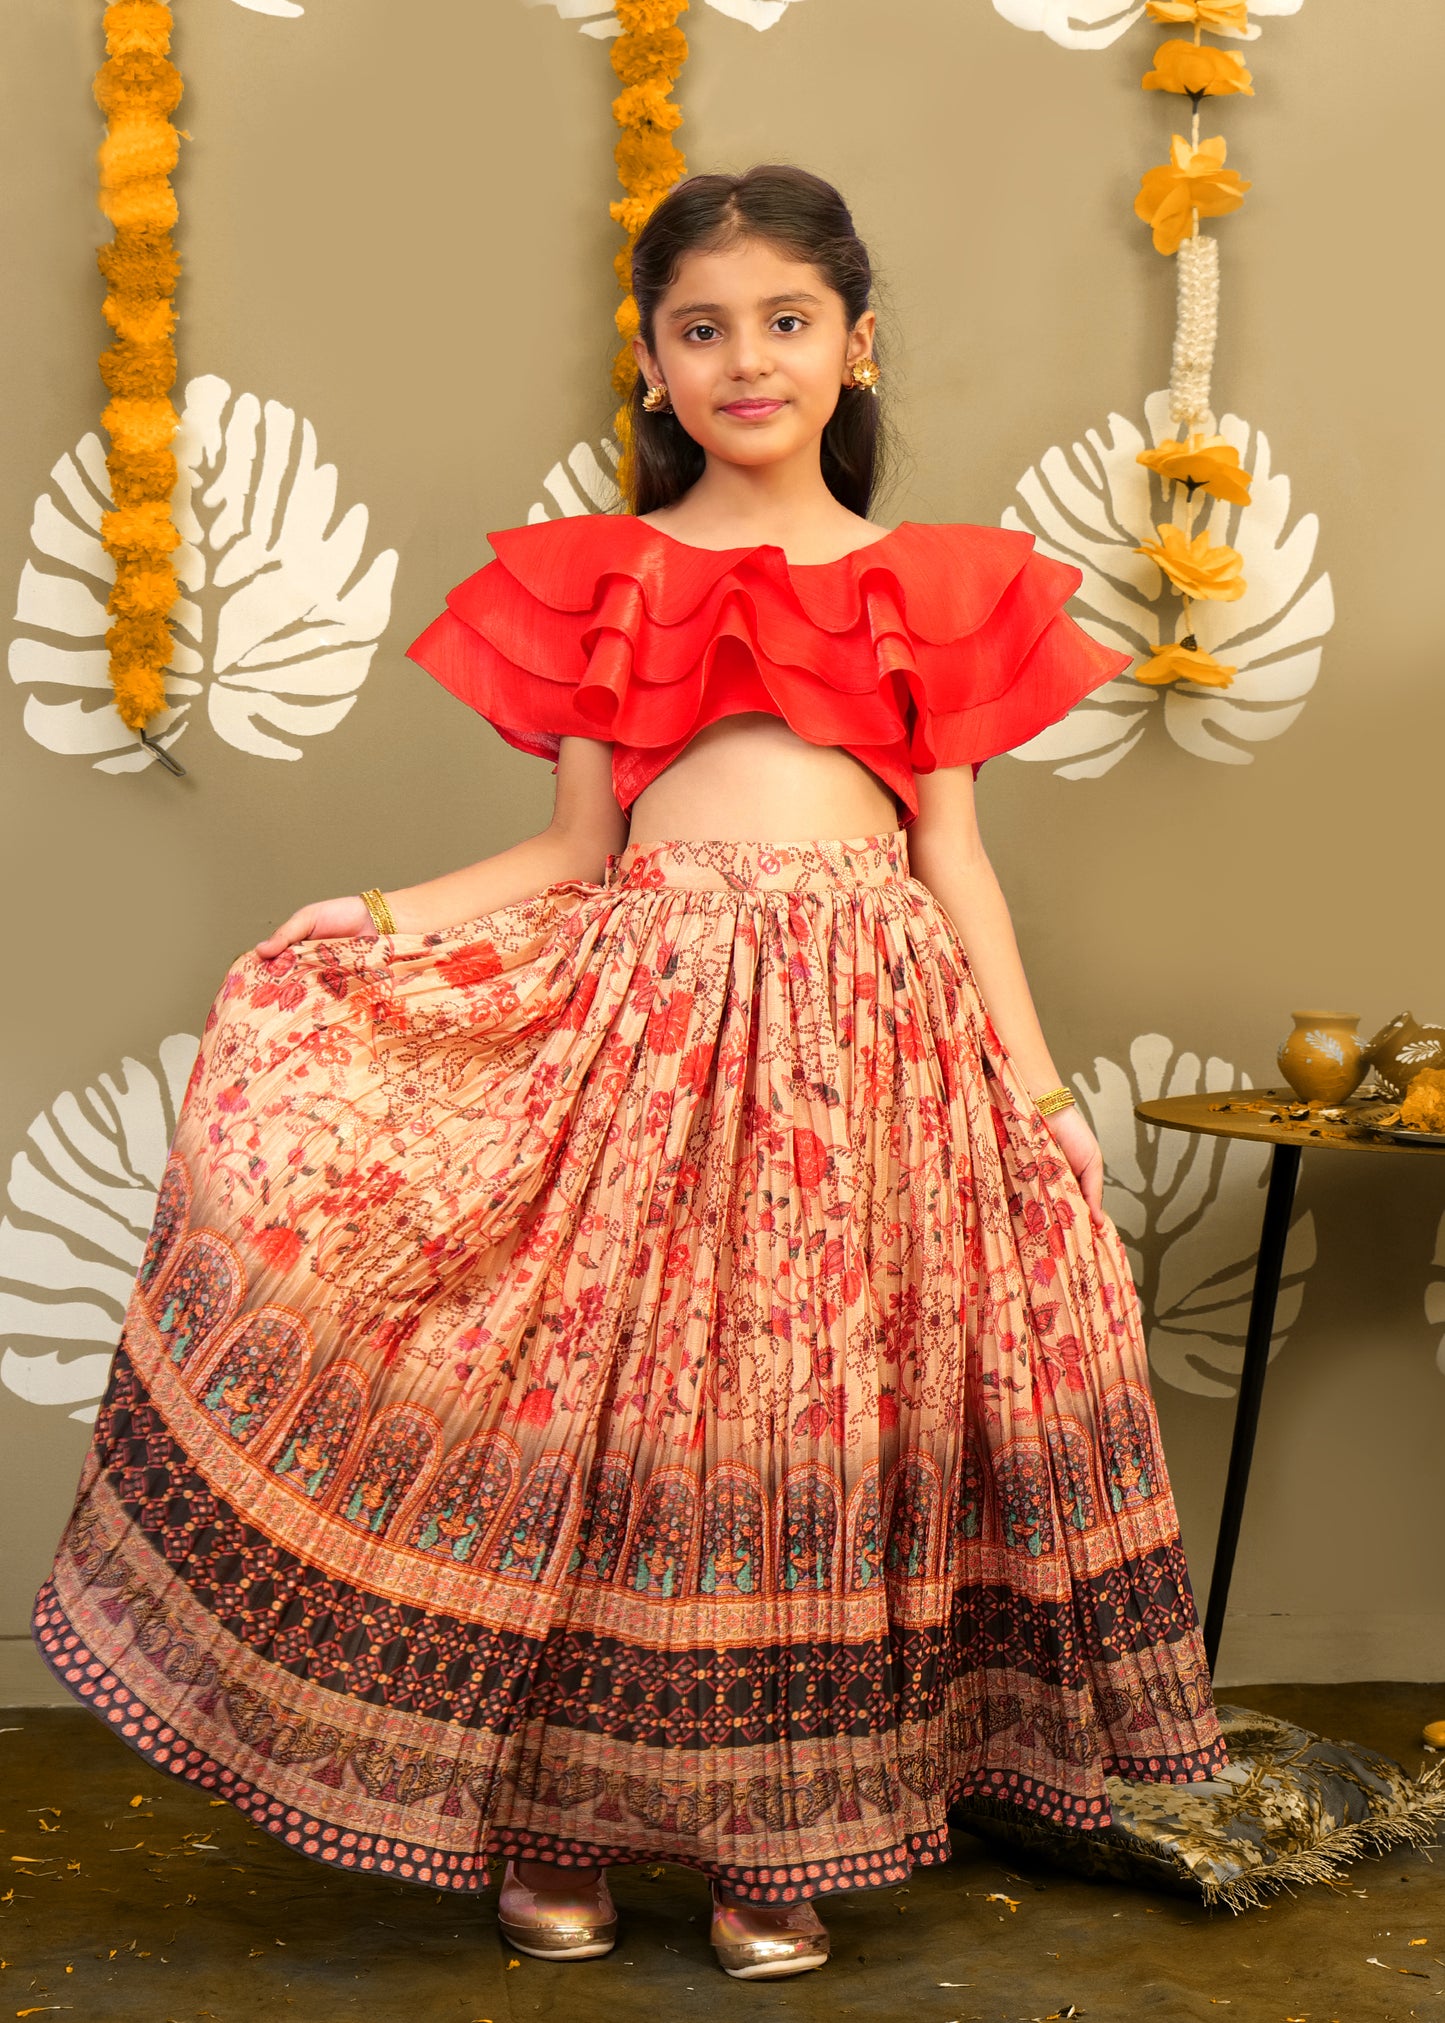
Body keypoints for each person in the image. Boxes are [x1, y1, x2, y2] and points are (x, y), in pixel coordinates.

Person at [33, 163, 1228, 1983]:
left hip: (870, 1054)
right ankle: (562, 1824)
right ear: (653, 364)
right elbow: (576, 855)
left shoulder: (938, 581)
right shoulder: (611, 573)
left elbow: (953, 861)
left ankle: (775, 1843)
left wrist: (1040, 1099)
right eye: (700, 329)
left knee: (807, 1428)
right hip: (652, 1035)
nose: (743, 359)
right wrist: (357, 914)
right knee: (619, 1425)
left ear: (854, 344)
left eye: (783, 321)